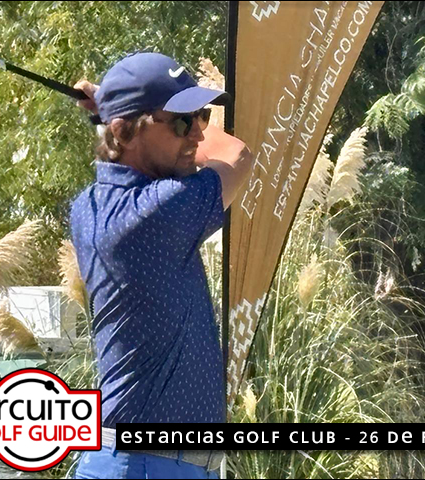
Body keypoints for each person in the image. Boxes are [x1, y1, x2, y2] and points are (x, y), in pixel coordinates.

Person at [69, 52, 253, 479]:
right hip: (149, 465)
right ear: (126, 132)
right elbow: (237, 153)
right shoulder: (157, 211)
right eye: (183, 122)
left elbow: (121, 154)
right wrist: (109, 107)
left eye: (202, 116)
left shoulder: (88, 207)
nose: (197, 134)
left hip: (137, 461)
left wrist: (116, 114)